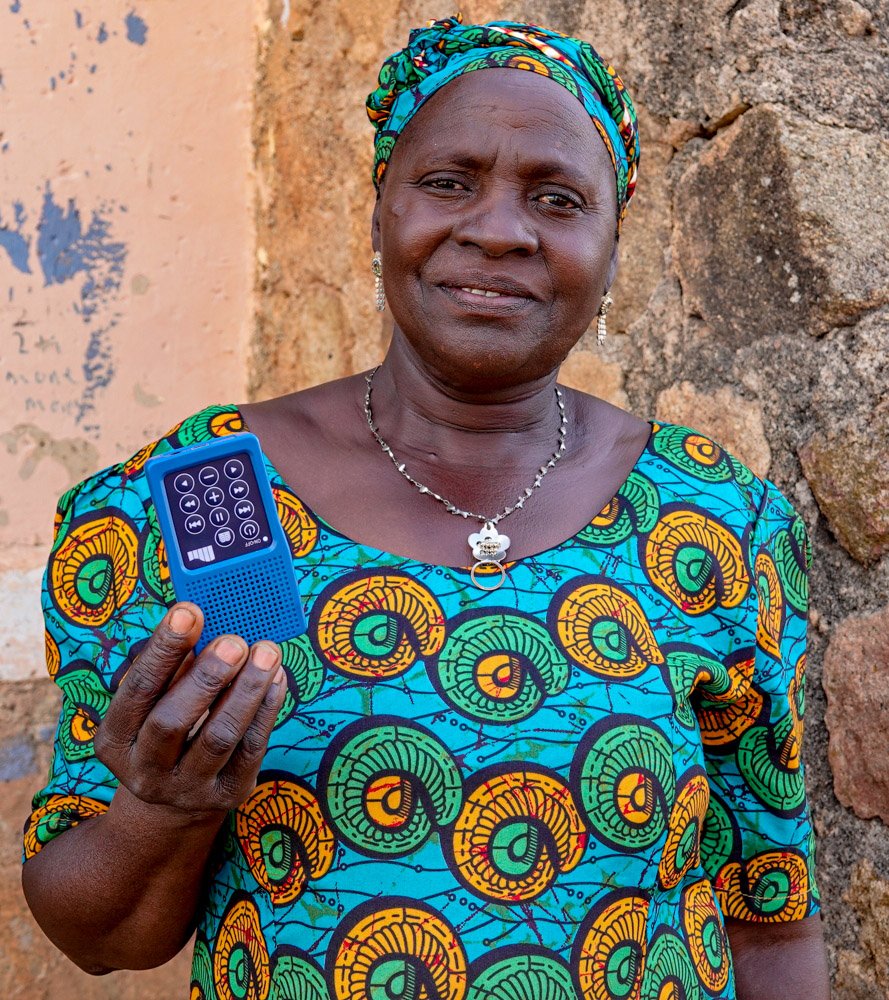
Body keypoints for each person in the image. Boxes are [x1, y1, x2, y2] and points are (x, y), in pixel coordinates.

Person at [22, 15, 830, 1000]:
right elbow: (100, 936)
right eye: (448, 181)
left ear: (611, 246)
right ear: (379, 212)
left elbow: (769, 921)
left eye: (557, 196)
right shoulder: (204, 499)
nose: (496, 228)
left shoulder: (711, 520)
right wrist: (164, 810)